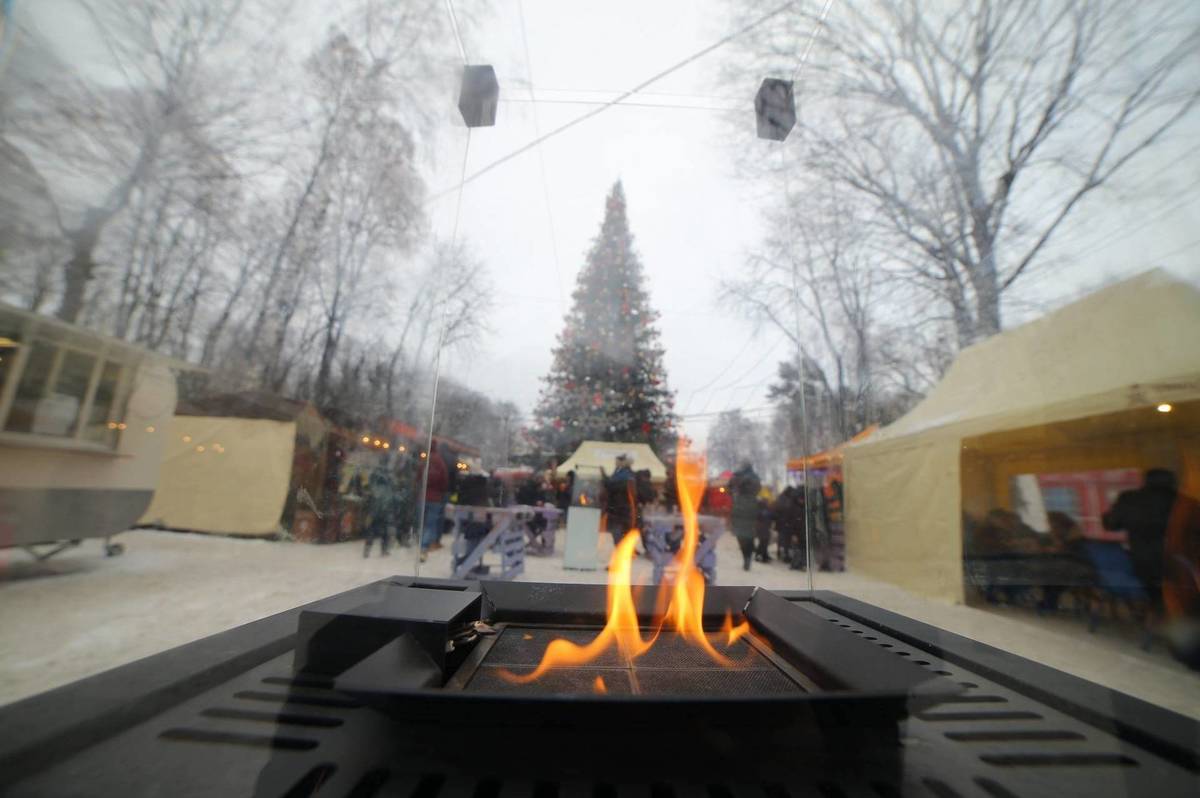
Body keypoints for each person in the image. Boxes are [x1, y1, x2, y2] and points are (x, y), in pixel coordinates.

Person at [1103, 468, 1179, 612]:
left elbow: (1111, 524)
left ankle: (1160, 619)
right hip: (1179, 562)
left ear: (1145, 481)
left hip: (1143, 561)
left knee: (1156, 597)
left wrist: (1111, 512)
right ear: (1172, 482)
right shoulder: (1182, 502)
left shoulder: (1129, 499)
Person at [418, 444, 450, 562]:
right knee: (430, 524)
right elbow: (444, 481)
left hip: (422, 497)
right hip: (435, 498)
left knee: (421, 522)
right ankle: (424, 547)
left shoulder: (424, 460)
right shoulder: (440, 462)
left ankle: (421, 542)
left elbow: (418, 477)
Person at [729, 462, 761, 571]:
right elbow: (758, 489)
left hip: (739, 507)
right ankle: (748, 556)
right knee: (749, 535)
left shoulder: (737, 476)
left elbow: (729, 489)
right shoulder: (755, 477)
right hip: (752, 508)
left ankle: (745, 556)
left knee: (741, 536)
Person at [604, 454, 639, 545]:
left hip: (620, 507)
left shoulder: (624, 475)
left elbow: (612, 485)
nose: (615, 462)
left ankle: (621, 549)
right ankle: (623, 548)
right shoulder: (623, 473)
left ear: (623, 462)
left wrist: (604, 477)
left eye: (617, 460)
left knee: (618, 530)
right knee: (620, 531)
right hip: (622, 507)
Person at [362, 461, 395, 558]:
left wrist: (370, 513)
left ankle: (367, 549)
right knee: (384, 532)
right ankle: (384, 550)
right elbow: (390, 502)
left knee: (371, 531)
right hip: (384, 513)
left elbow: (370, 501)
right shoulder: (388, 489)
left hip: (375, 512)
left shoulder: (374, 488)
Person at [754, 487, 774, 563]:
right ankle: (759, 555)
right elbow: (758, 515)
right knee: (763, 541)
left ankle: (764, 554)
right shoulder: (761, 506)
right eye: (766, 500)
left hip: (765, 526)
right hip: (762, 527)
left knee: (765, 541)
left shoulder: (767, 507)